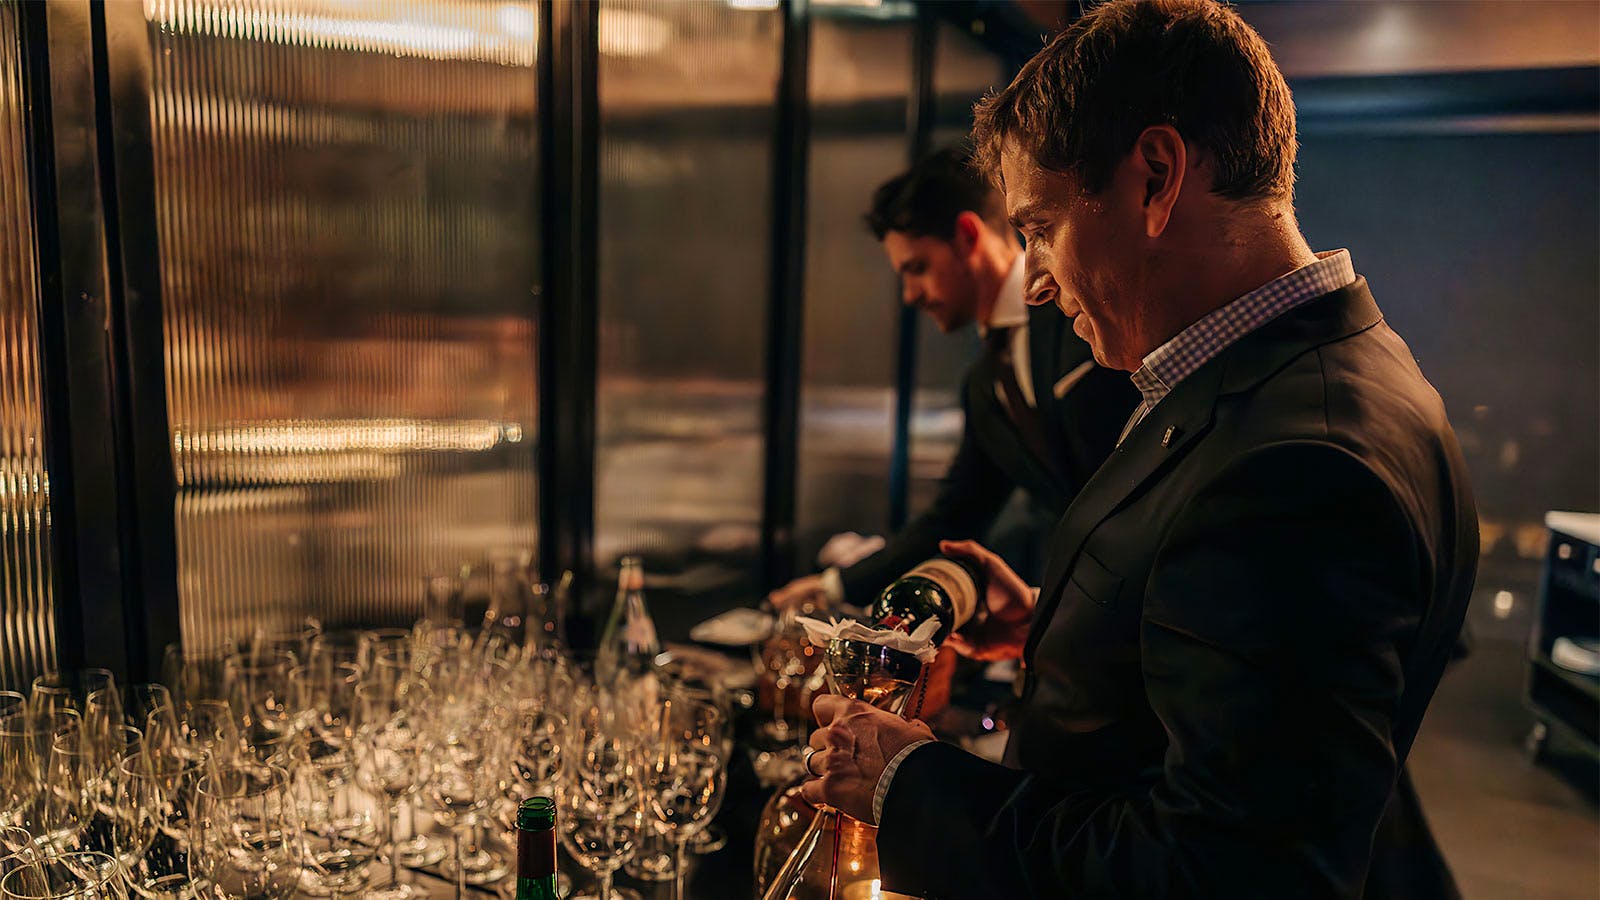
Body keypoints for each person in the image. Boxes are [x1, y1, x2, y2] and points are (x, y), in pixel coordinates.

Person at [797, 2, 1479, 897]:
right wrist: (1061, 624)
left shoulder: (1296, 466)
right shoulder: (1330, 368)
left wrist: (910, 784)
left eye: (1040, 227)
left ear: (1157, 176)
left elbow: (1220, 871)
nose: (1033, 281)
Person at [769, 148, 1136, 612]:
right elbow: (954, 517)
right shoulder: (984, 387)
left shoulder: (1082, 315)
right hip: (1084, 619)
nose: (910, 296)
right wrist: (832, 588)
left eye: (917, 268)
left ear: (967, 235)